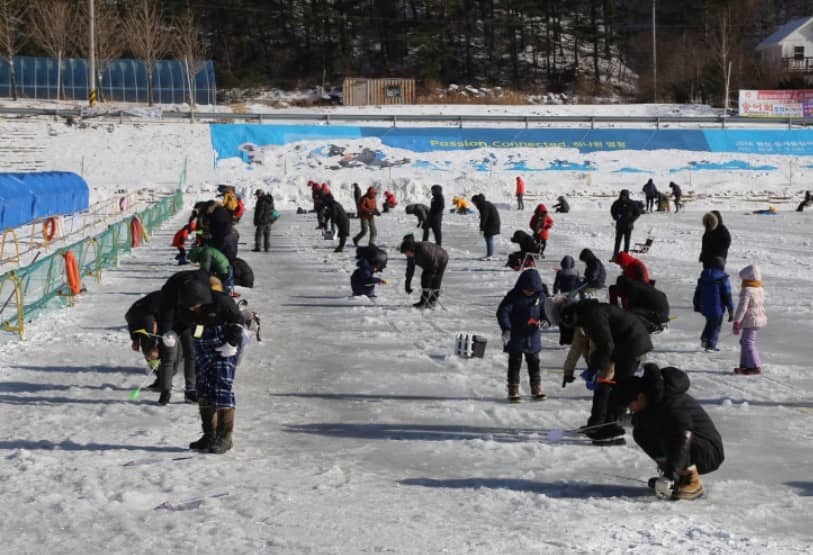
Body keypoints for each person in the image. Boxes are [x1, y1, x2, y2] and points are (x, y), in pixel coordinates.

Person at [615, 364, 724, 500]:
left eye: (630, 405)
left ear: (640, 396)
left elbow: (682, 436)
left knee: (668, 432)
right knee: (641, 431)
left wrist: (670, 476)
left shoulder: (672, 403)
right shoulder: (654, 397)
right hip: (689, 445)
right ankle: (676, 478)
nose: (631, 409)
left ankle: (691, 481)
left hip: (708, 451)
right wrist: (633, 419)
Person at [557, 299, 653, 442]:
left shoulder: (592, 316)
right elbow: (583, 346)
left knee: (620, 388)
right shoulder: (588, 314)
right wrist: (573, 370)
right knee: (612, 387)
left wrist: (595, 368)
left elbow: (606, 345)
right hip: (624, 346)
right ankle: (603, 425)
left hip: (632, 347)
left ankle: (612, 428)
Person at [171, 279, 247, 454]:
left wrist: (232, 343)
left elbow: (237, 322)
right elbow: (181, 322)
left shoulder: (221, 301)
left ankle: (224, 436)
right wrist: (172, 331)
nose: (193, 309)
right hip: (202, 345)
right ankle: (209, 434)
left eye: (196, 305)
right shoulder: (185, 306)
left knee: (222, 388)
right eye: (189, 306)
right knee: (203, 388)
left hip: (224, 346)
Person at [125, 290, 190, 405]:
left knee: (172, 351)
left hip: (169, 319)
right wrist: (136, 339)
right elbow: (136, 325)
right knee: (151, 352)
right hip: (153, 317)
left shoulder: (174, 308)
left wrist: (155, 346)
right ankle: (162, 378)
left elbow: (157, 331)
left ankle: (166, 378)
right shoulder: (137, 316)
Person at [497, 268, 548, 402]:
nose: (530, 292)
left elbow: (546, 312)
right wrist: (506, 328)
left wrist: (545, 321)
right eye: (527, 289)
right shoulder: (513, 296)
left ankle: (536, 387)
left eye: (532, 290)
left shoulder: (541, 297)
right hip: (516, 336)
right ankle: (513, 388)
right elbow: (502, 312)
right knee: (515, 363)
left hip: (533, 336)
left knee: (534, 363)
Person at [692, 256, 734, 352]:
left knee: (710, 322)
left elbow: (697, 292)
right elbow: (727, 295)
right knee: (716, 326)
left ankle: (704, 339)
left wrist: (696, 304)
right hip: (717, 308)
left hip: (705, 307)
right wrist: (731, 310)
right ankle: (711, 345)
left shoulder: (704, 276)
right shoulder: (722, 278)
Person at [732, 264, 767, 375]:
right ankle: (745, 365)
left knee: (748, 342)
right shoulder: (759, 288)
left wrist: (737, 321)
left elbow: (742, 307)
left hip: (752, 319)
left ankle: (755, 366)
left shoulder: (747, 290)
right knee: (744, 342)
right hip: (757, 318)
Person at [400, 234, 449, 309]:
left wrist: (432, 276)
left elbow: (434, 263)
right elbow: (410, 270)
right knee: (425, 279)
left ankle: (433, 300)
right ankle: (424, 300)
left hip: (441, 258)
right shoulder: (411, 256)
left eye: (406, 253)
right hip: (430, 262)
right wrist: (407, 283)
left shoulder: (423, 249)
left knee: (435, 279)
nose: (406, 255)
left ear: (411, 249)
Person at [610, 189, 642, 260]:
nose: (623, 197)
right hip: (619, 225)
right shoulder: (617, 203)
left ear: (627, 196)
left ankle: (625, 257)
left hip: (628, 226)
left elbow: (638, 212)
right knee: (618, 241)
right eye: (622, 195)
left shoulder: (631, 203)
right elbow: (612, 210)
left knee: (627, 241)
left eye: (624, 196)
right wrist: (615, 217)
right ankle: (615, 255)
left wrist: (632, 219)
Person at [471, 193, 501, 260]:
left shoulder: (482, 205)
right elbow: (486, 215)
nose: (474, 204)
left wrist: (481, 228)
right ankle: (489, 254)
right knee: (488, 237)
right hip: (493, 223)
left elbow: (484, 218)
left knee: (488, 237)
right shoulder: (484, 204)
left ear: (476, 201)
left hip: (492, 224)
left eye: (473, 202)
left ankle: (490, 255)